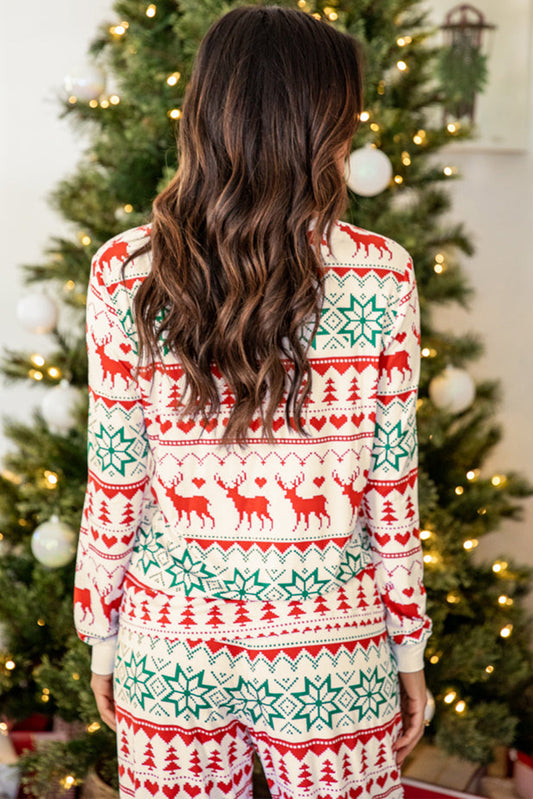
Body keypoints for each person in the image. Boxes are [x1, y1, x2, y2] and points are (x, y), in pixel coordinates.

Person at [74, 5, 432, 798]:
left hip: (171, 641)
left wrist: (102, 638)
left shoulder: (123, 270)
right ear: (318, 124)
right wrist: (408, 649)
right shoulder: (380, 273)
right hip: (331, 646)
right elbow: (392, 489)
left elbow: (115, 480)